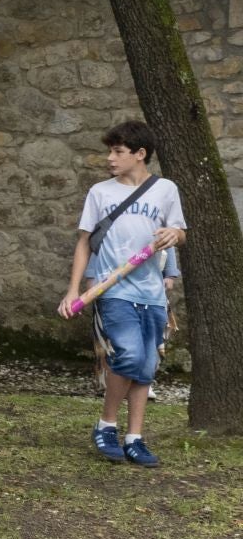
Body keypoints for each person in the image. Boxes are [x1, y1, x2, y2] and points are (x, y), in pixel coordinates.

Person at [60, 120, 186, 466]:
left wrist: (174, 236)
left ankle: (134, 438)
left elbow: (180, 231)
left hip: (153, 292)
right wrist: (74, 290)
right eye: (110, 151)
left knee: (146, 365)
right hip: (112, 289)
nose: (110, 158)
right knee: (128, 355)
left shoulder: (166, 190)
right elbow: (84, 242)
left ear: (140, 154)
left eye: (118, 152)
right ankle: (106, 424)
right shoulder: (100, 193)